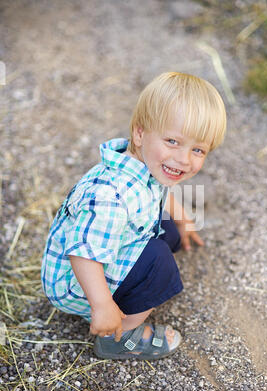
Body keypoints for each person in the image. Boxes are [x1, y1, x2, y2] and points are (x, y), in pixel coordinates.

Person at [41, 72, 226, 360]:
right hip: (76, 280)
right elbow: (82, 254)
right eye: (173, 141)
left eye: (198, 149)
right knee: (160, 262)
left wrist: (182, 217)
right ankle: (118, 336)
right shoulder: (111, 194)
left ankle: (128, 289)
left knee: (170, 232)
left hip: (99, 256)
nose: (184, 159)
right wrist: (102, 305)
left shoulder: (145, 163)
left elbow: (162, 190)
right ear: (140, 133)